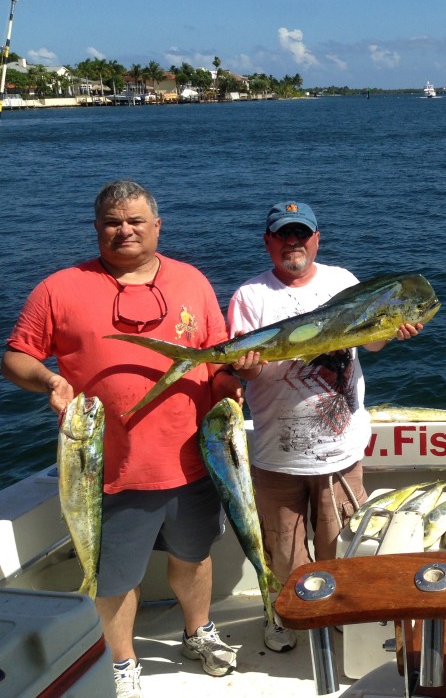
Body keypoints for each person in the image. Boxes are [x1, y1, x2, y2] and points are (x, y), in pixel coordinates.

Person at [1, 180, 244, 698]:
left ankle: (197, 632)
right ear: (97, 229)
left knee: (194, 558)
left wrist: (230, 383)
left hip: (193, 463)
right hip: (104, 473)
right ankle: (122, 661)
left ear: (157, 226)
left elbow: (216, 354)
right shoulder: (59, 288)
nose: (124, 230)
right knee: (114, 578)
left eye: (135, 221)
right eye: (113, 222)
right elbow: (16, 356)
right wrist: (49, 381)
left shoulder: (192, 281)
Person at [227, 200, 423, 652]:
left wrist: (394, 331)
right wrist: (249, 368)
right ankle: (287, 616)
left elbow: (370, 340)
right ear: (268, 243)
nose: (292, 243)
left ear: (316, 239)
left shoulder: (343, 282)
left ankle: (339, 613)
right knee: (284, 546)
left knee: (342, 540)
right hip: (278, 450)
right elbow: (244, 370)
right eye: (283, 235)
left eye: (301, 234)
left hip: (341, 447)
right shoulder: (250, 296)